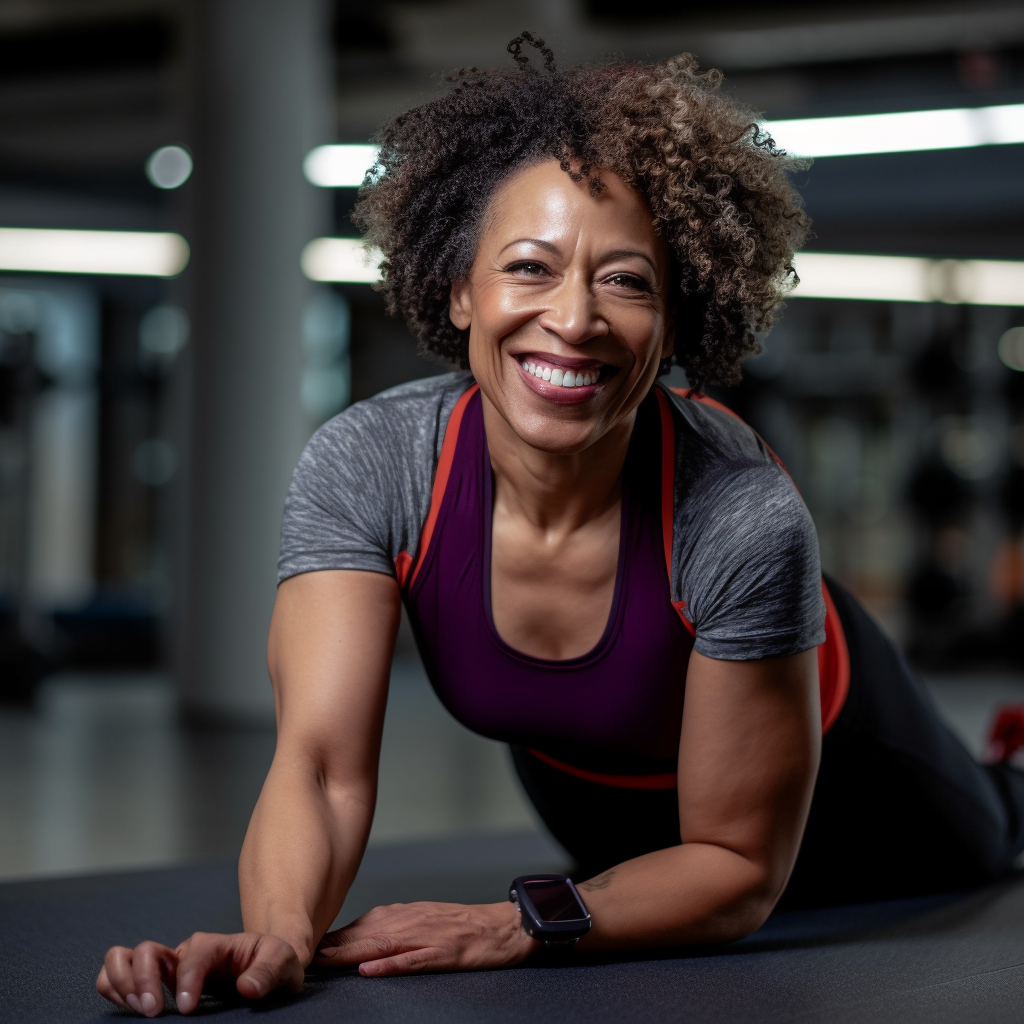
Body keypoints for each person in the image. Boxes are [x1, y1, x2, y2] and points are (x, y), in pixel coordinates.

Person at [97, 35, 1024, 1017]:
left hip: (863, 779)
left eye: (625, 281)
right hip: (593, 796)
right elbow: (320, 771)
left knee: (994, 831)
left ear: (674, 322)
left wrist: (507, 922)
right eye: (529, 267)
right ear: (461, 289)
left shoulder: (741, 513)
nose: (572, 318)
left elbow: (739, 866)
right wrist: (273, 937)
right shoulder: (372, 467)